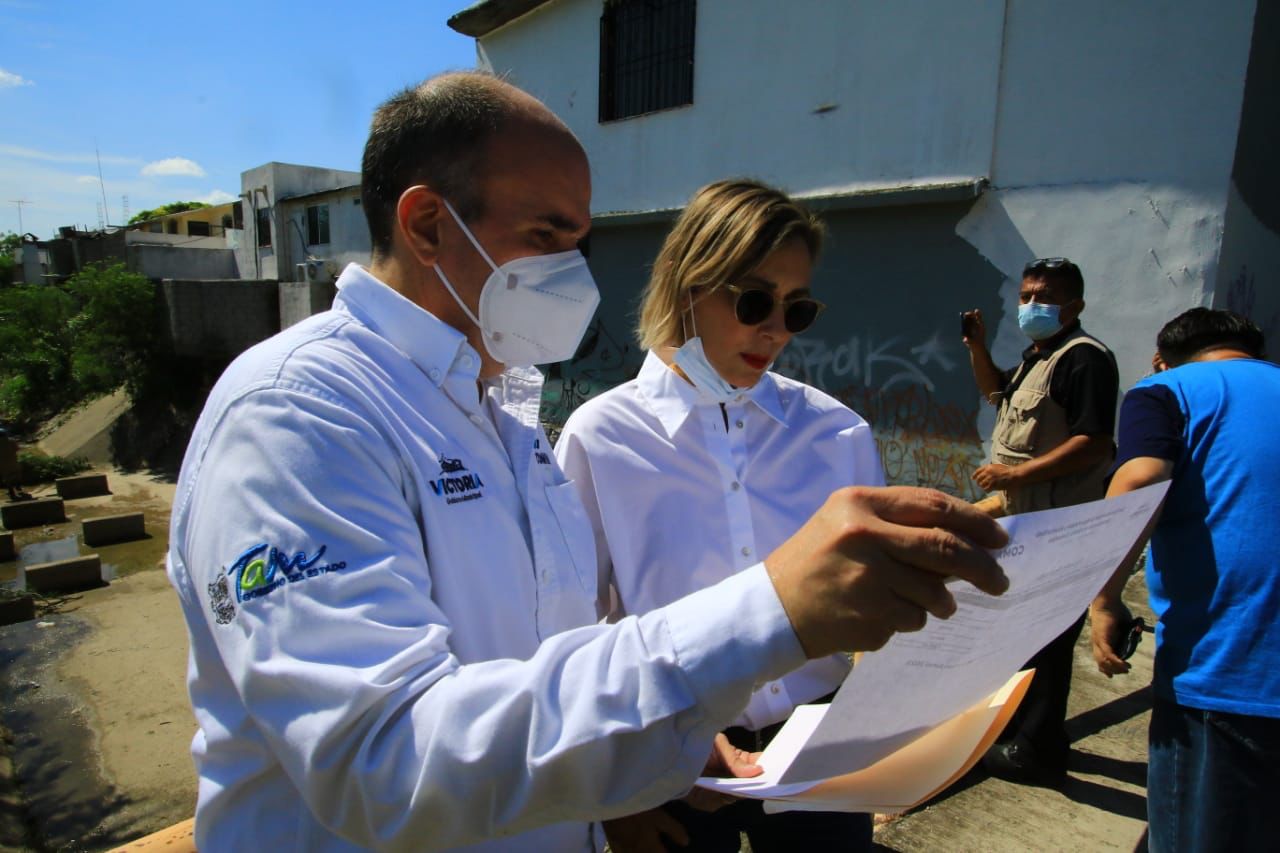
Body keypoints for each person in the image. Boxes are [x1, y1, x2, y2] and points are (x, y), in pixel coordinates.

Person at [166, 71, 1010, 852]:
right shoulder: (297, 411)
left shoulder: (504, 412)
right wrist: (766, 611)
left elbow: (562, 649)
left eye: (580, 241)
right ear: (427, 224)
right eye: (546, 235)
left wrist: (656, 742)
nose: (573, 271)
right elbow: (379, 761)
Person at [556, 180, 881, 851]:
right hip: (670, 757)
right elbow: (570, 631)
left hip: (817, 751)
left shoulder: (838, 435)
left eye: (797, 311)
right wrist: (612, 791)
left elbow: (873, 603)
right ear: (687, 286)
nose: (774, 331)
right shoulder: (599, 438)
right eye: (756, 300)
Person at [1091, 308, 1279, 852]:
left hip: (1232, 671)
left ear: (1165, 357)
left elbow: (1141, 478)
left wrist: (1103, 599)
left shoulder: (1167, 391)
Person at [961, 257, 1119, 785]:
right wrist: (977, 347)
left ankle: (1039, 748)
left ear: (1074, 305)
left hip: (1059, 523)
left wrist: (1017, 475)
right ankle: (1018, 732)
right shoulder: (1039, 356)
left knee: (1049, 640)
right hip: (1026, 522)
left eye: (1044, 296)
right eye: (1027, 294)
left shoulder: (1085, 359)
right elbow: (997, 395)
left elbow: (1093, 441)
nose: (1032, 305)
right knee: (1024, 633)